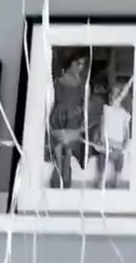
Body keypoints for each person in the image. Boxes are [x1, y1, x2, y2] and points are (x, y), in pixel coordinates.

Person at [48, 56, 87, 189]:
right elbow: (51, 100)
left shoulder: (82, 85)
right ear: (71, 63)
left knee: (69, 147)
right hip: (58, 113)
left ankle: (66, 170)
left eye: (82, 64)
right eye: (78, 63)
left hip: (73, 116)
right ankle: (57, 170)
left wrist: (80, 115)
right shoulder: (57, 82)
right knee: (57, 145)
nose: (81, 67)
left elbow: (84, 105)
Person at [97, 82, 131, 189]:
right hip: (107, 142)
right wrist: (102, 139)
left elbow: (126, 131)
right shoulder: (106, 108)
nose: (111, 97)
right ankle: (101, 179)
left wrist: (125, 145)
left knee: (119, 159)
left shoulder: (125, 113)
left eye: (115, 95)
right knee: (102, 157)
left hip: (118, 144)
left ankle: (117, 178)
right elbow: (102, 125)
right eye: (111, 94)